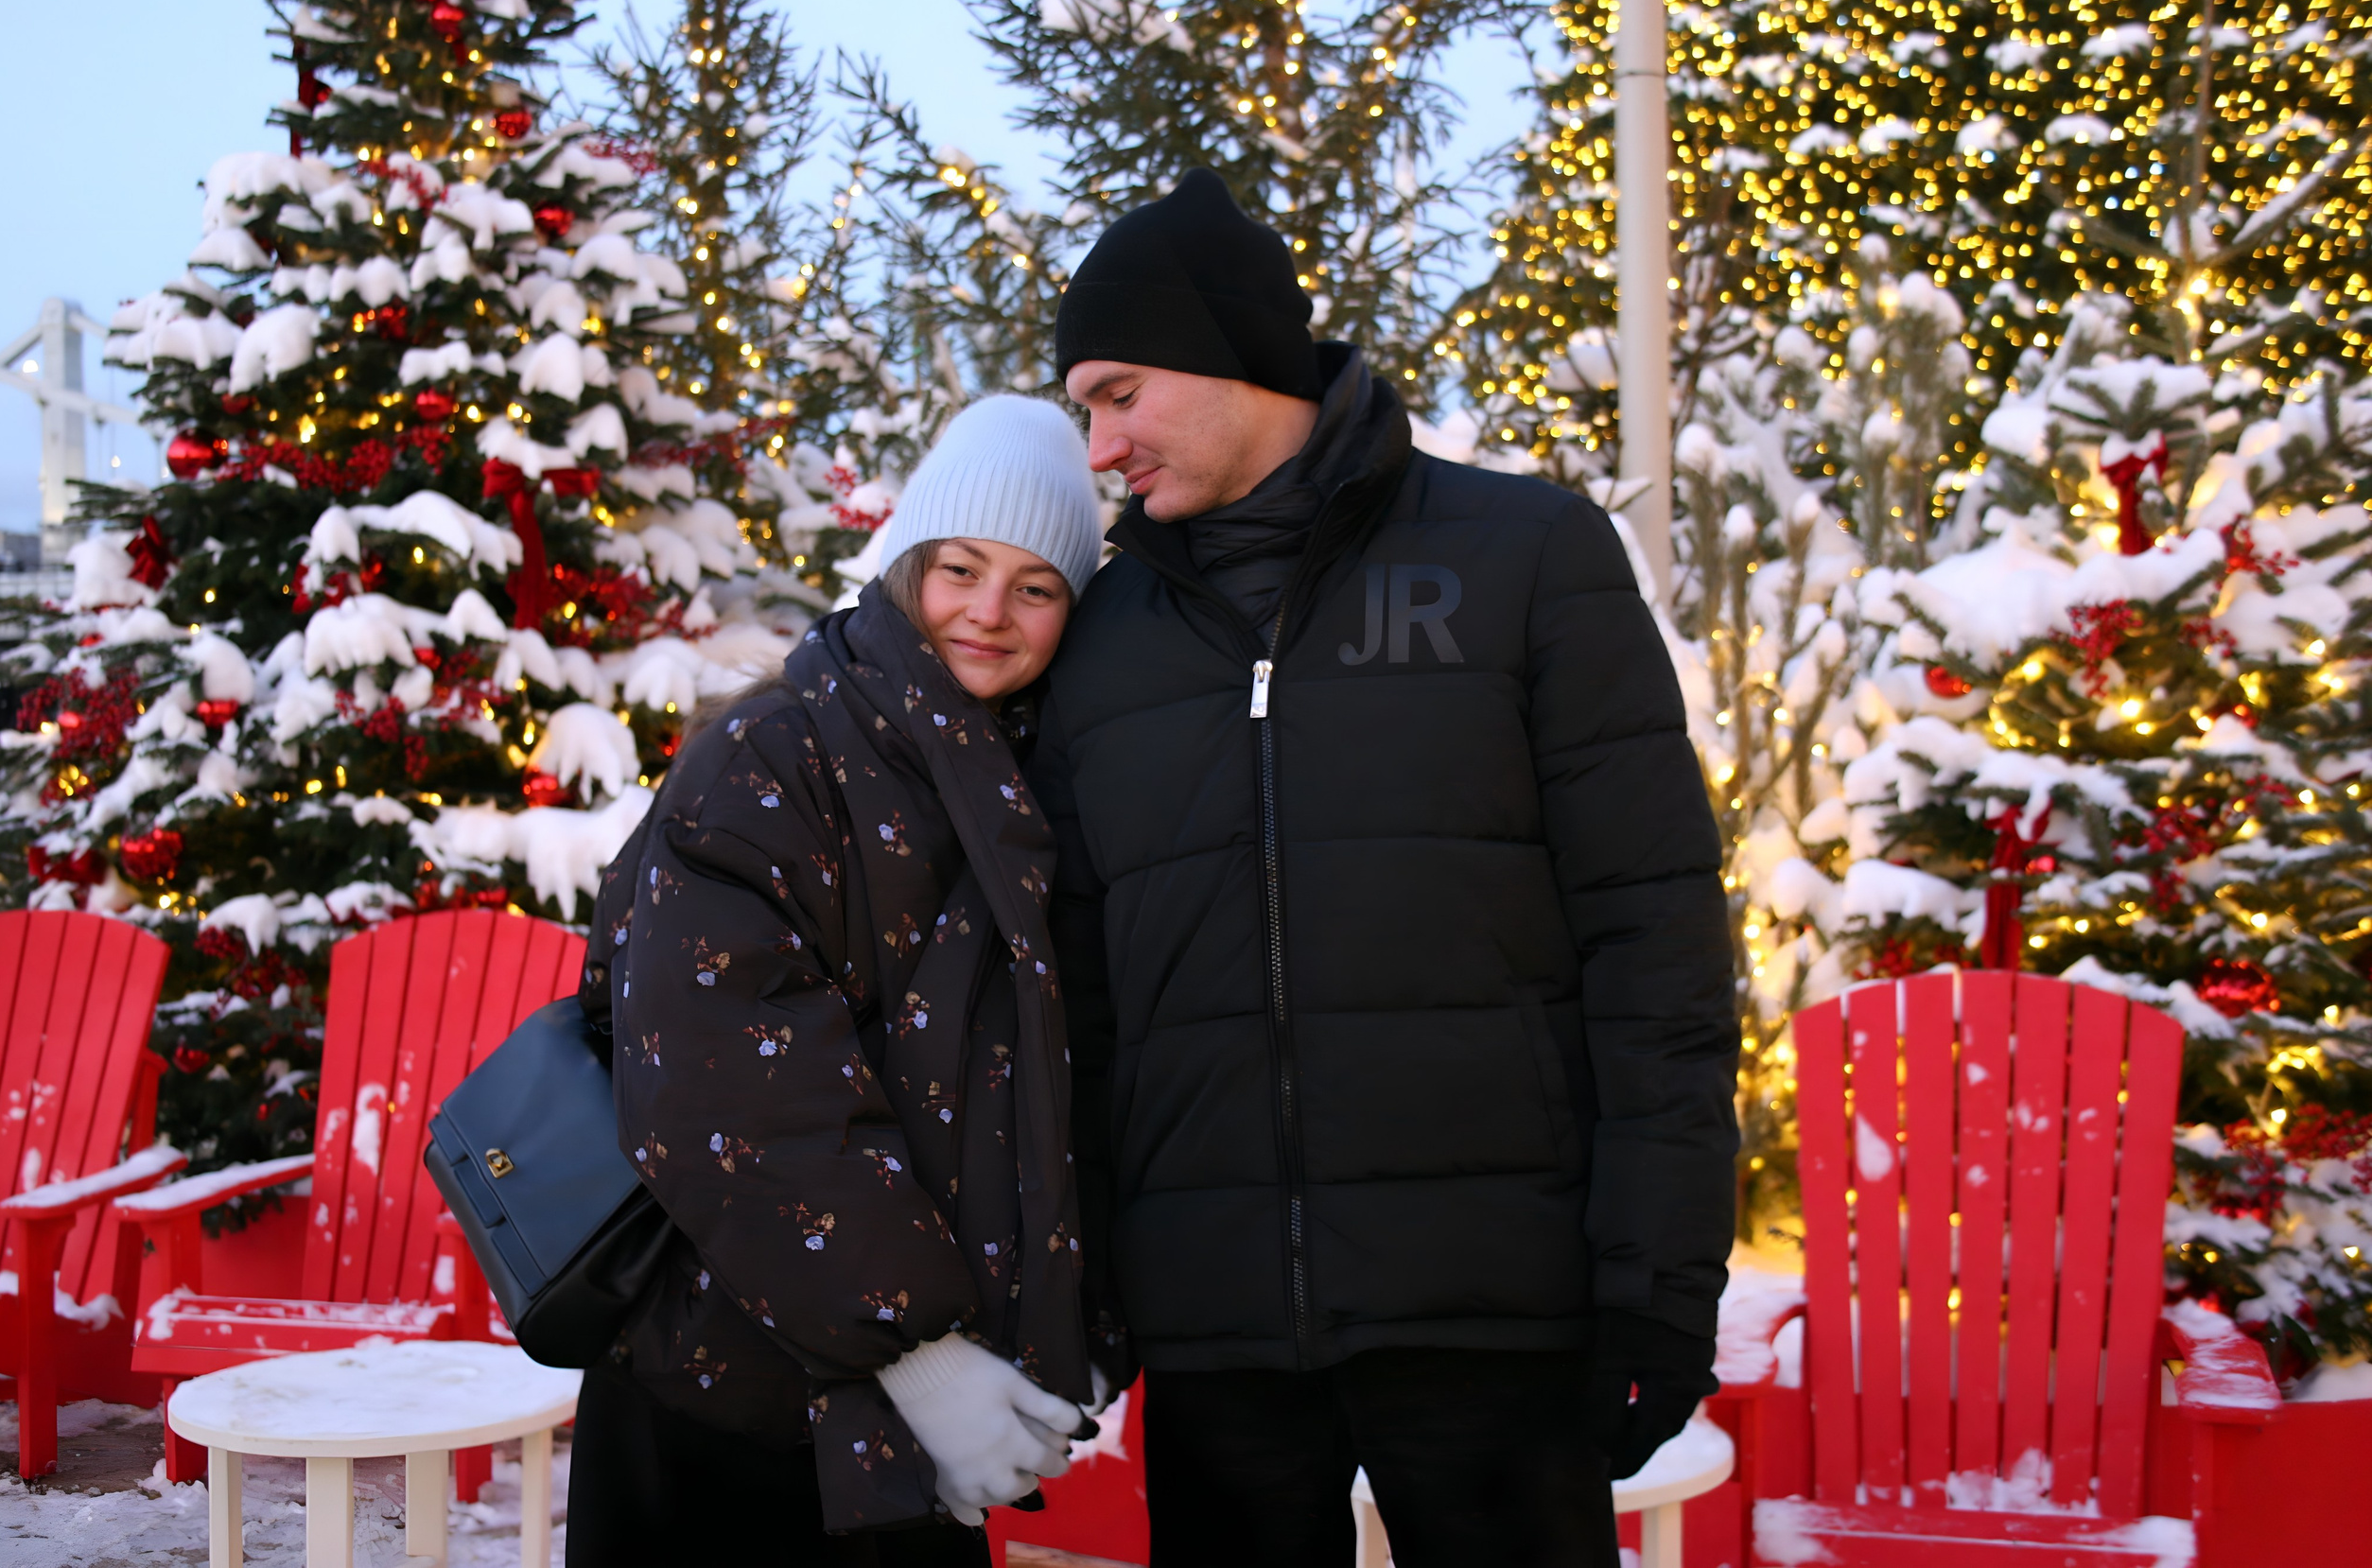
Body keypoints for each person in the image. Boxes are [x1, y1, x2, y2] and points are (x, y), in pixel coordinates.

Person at [1036, 170, 1741, 1568]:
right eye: (1083, 409)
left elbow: (1653, 939)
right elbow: (1081, 1001)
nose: (1100, 444)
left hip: (1494, 1312)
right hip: (1220, 1326)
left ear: (1231, 352)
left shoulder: (1520, 556)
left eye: (1118, 392)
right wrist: (1083, 1293)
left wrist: (1657, 1281)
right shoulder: (1103, 636)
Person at [567, 395, 1119, 1566]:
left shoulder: (1025, 784)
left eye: (1035, 588)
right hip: (730, 1391)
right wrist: (911, 1348)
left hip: (912, 1416)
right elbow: (720, 1083)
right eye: (960, 569)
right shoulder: (774, 755)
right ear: (907, 562)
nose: (987, 612)